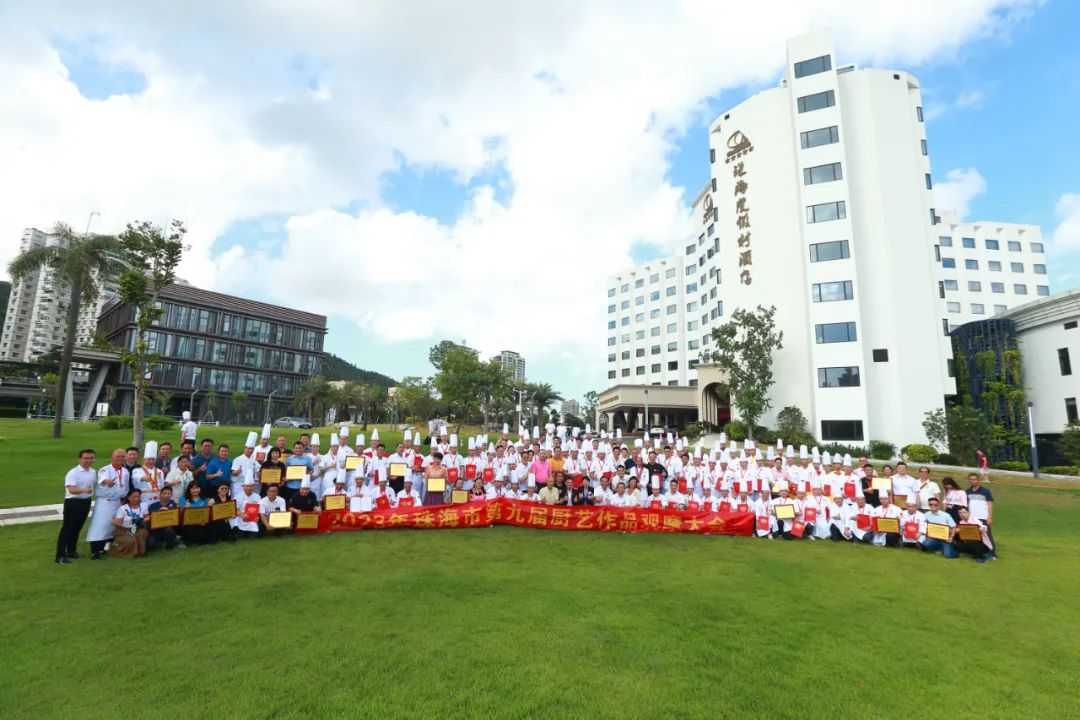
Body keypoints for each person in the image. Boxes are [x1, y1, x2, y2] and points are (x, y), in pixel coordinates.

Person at [55, 449, 96, 565]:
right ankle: (60, 556)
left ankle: (71, 551)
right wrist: (84, 490)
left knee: (77, 528)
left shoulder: (93, 472)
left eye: (91, 458)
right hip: (73, 503)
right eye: (86, 458)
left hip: (85, 502)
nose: (89, 460)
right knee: (67, 529)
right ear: (80, 459)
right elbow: (71, 489)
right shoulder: (73, 473)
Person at [87, 448, 128, 560]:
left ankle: (104, 547)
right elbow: (102, 478)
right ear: (112, 457)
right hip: (105, 502)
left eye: (122, 456)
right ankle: (94, 552)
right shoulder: (105, 469)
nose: (120, 459)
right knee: (99, 526)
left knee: (112, 526)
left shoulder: (125, 471)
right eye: (117, 456)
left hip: (117, 502)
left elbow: (125, 487)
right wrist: (107, 482)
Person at [109, 489, 149, 558]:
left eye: (138, 497)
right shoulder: (123, 508)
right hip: (124, 530)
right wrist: (114, 521)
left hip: (138, 528)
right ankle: (130, 553)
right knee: (131, 541)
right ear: (128, 497)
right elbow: (118, 523)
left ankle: (141, 552)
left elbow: (146, 518)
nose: (136, 499)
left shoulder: (144, 506)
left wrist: (146, 519)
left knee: (143, 532)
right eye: (134, 497)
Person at [965, 472, 996, 558]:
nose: (973, 481)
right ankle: (978, 552)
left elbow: (990, 504)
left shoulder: (985, 491)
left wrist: (989, 517)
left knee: (987, 536)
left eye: (974, 479)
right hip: (973, 518)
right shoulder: (967, 492)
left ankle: (992, 553)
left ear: (978, 480)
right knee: (975, 536)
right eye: (971, 479)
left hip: (983, 517)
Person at [146, 486, 183, 551]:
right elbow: (150, 518)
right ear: (160, 494)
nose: (166, 495)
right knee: (151, 545)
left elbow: (176, 516)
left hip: (168, 527)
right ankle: (162, 543)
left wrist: (168, 510)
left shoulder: (173, 504)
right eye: (164, 493)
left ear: (171, 495)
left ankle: (170, 548)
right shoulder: (153, 506)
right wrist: (158, 512)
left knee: (169, 530)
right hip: (156, 529)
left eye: (169, 494)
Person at [131, 441, 164, 509]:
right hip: (143, 498)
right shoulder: (137, 470)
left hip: (157, 498)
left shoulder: (160, 471)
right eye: (149, 459)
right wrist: (144, 478)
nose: (151, 461)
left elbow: (162, 486)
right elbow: (136, 477)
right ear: (144, 460)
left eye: (153, 459)